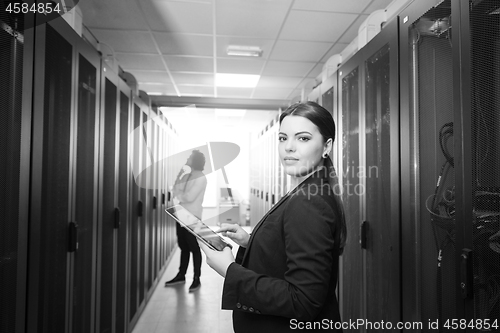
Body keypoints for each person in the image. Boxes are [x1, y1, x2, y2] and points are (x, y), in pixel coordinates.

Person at [198, 101, 347, 332]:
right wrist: (252, 241)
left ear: (327, 146)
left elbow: (303, 301)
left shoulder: (309, 202)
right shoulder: (310, 191)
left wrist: (229, 270)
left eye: (303, 138)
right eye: (282, 138)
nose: (289, 147)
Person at [165, 150, 208, 292]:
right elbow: (175, 189)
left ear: (195, 160)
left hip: (192, 217)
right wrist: (179, 175)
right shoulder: (186, 175)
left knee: (194, 247)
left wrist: (180, 195)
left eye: (190, 157)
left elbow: (189, 197)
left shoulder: (201, 177)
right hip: (181, 215)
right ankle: (181, 275)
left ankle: (197, 279)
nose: (187, 159)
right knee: (183, 246)